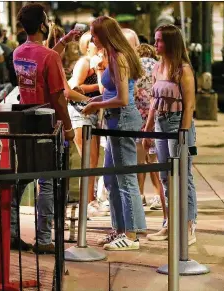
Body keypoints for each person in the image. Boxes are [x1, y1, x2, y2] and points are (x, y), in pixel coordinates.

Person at [11, 3, 76, 254]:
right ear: (42, 25)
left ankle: (12, 232)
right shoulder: (51, 57)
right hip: (47, 123)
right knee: (47, 182)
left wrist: (65, 41)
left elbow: (40, 57)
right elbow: (59, 97)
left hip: (24, 120)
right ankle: (44, 238)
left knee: (21, 178)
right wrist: (68, 127)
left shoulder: (18, 52)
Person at [82, 16, 146, 251]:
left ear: (105, 34)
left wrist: (96, 105)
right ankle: (119, 229)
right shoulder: (111, 56)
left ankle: (131, 234)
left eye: (94, 33)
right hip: (113, 121)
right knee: (111, 179)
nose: (92, 38)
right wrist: (96, 100)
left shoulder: (119, 58)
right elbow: (111, 94)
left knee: (126, 178)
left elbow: (123, 99)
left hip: (123, 120)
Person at [142, 24, 198, 245]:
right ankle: (169, 223)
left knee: (184, 176)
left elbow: (190, 105)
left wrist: (183, 134)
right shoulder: (157, 67)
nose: (155, 44)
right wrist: (147, 129)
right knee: (165, 177)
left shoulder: (183, 70)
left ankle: (188, 225)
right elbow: (154, 102)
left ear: (170, 43)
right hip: (160, 123)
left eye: (159, 40)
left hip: (177, 125)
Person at [66, 32, 103, 215]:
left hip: (92, 113)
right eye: (93, 42)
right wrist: (97, 88)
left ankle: (91, 200)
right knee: (88, 159)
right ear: (86, 46)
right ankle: (87, 202)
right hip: (80, 113)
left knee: (93, 160)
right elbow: (73, 88)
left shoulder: (99, 62)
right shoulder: (85, 63)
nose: (97, 44)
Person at [134, 44, 166, 217]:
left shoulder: (135, 65)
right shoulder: (158, 65)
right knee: (153, 159)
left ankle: (139, 194)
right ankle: (157, 194)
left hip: (138, 116)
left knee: (139, 161)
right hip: (154, 116)